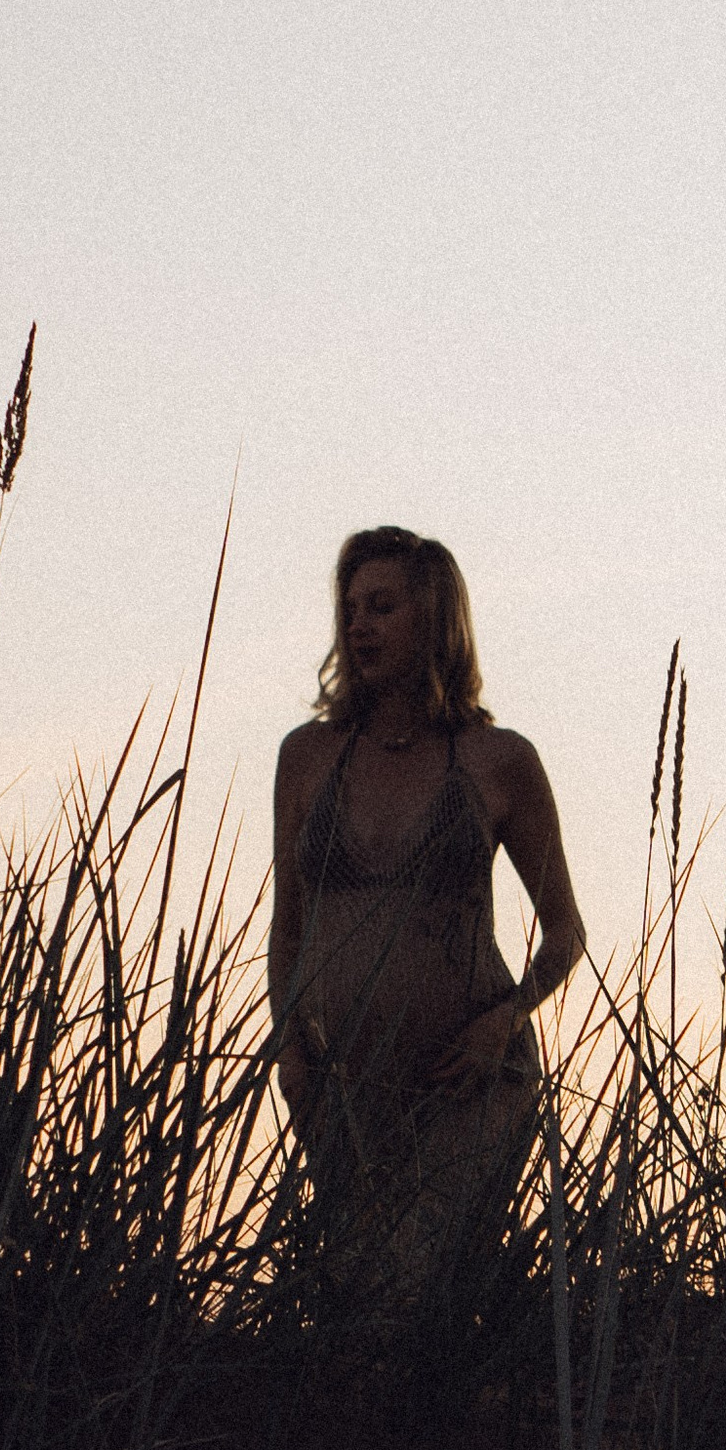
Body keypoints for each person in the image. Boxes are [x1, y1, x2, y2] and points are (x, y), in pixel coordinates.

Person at [270, 527, 586, 1313]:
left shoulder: (499, 760)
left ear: (435, 618)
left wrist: (504, 1023)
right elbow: (288, 929)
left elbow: (565, 933)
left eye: (382, 607)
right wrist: (290, 1048)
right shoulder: (307, 756)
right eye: (350, 609)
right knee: (356, 1305)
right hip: (346, 1090)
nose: (359, 626)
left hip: (465, 1084)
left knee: (417, 1291)